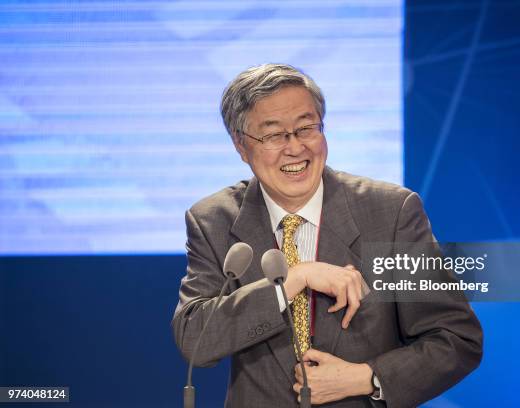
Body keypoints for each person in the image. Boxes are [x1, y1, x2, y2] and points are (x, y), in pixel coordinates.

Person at [172, 63, 483, 407]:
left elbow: (456, 339)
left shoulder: (391, 213)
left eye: (307, 128)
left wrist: (367, 377)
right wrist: (296, 278)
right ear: (241, 146)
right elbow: (195, 338)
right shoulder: (213, 220)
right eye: (274, 135)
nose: (295, 148)